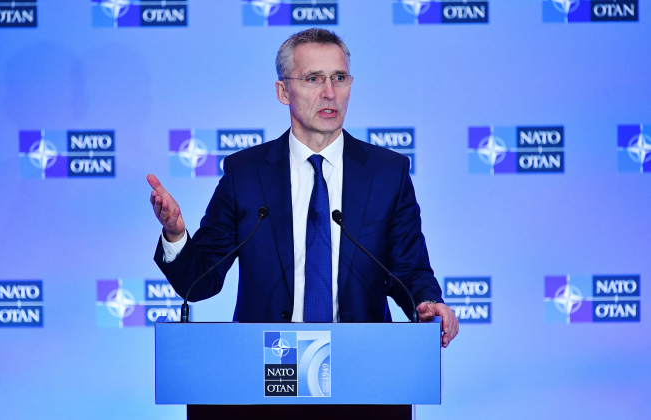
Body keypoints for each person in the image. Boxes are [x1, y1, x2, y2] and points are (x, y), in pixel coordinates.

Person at [148, 28, 458, 348]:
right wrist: (175, 234)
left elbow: (410, 270)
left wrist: (428, 303)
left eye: (339, 78)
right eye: (313, 79)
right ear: (283, 92)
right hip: (268, 367)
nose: (329, 92)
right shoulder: (246, 174)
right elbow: (199, 283)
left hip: (361, 361)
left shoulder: (387, 173)